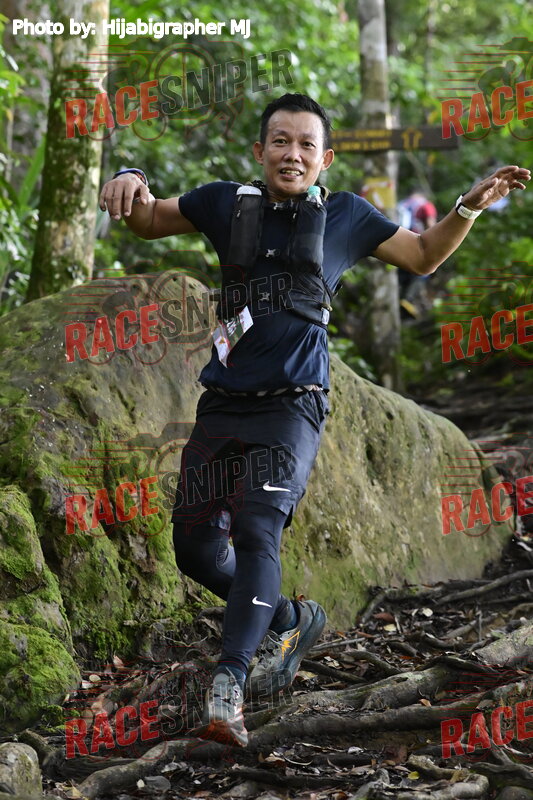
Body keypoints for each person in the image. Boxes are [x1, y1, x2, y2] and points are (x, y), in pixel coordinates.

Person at [99, 93, 530, 748]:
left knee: (256, 529)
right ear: (259, 151)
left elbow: (422, 257)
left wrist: (467, 207)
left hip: (292, 405)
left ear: (324, 159)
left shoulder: (346, 215)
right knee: (194, 549)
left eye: (306, 144)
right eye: (280, 141)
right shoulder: (223, 202)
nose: (292, 154)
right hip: (224, 400)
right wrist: (130, 176)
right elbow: (149, 220)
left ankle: (229, 685)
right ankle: (292, 618)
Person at [397, 189, 437, 314]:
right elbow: (430, 225)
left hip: (396, 243)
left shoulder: (402, 204)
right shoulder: (425, 205)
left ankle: (398, 301)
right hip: (416, 243)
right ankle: (407, 300)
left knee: (402, 274)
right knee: (423, 272)